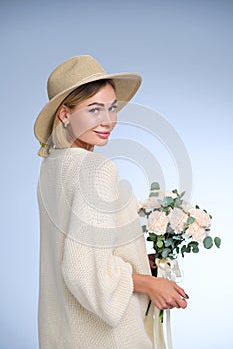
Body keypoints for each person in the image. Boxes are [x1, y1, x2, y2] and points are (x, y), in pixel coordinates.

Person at [34, 55, 188, 349]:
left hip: (62, 331)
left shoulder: (50, 168)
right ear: (65, 113)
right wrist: (150, 284)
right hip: (104, 337)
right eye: (94, 110)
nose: (109, 121)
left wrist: (142, 263)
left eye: (112, 108)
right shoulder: (96, 168)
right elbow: (82, 270)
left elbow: (79, 250)